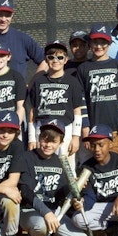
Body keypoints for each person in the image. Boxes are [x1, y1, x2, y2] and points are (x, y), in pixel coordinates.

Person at [18, 120, 91, 236]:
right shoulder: (26, 157)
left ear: (61, 143)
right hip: (31, 210)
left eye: (53, 141)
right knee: (41, 226)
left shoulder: (61, 161)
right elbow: (26, 191)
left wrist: (73, 191)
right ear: (39, 138)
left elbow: (62, 195)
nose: (48, 145)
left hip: (54, 213)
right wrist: (46, 213)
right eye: (45, 140)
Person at [76, 24, 118, 164]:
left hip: (116, 129)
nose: (99, 46)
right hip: (94, 130)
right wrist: (85, 127)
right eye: (95, 42)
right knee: (93, 168)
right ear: (89, 44)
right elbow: (81, 100)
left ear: (110, 43)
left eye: (103, 42)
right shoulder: (83, 68)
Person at [27, 40, 84, 174]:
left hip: (66, 129)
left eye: (60, 57)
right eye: (51, 56)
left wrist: (76, 137)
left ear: (66, 60)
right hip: (42, 128)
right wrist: (31, 138)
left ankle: (69, 195)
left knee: (67, 168)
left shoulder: (72, 82)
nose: (55, 60)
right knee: (41, 166)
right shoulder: (38, 81)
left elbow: (77, 110)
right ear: (46, 60)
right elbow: (32, 111)